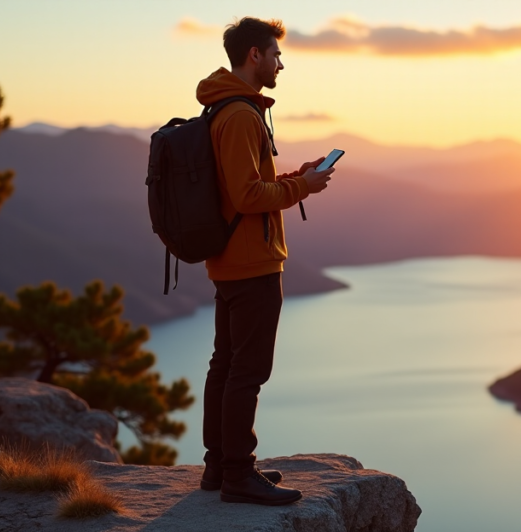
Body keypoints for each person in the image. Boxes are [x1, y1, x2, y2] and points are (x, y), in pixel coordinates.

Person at [195, 17, 334, 506]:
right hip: (251, 264)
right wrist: (303, 188)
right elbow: (248, 195)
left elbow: (244, 187)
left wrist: (298, 175)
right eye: (275, 54)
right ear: (254, 55)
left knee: (227, 365)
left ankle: (220, 466)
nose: (281, 63)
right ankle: (237, 474)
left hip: (233, 259)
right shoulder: (239, 114)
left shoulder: (227, 108)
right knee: (247, 371)